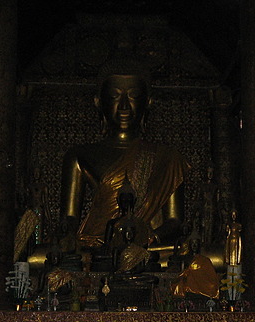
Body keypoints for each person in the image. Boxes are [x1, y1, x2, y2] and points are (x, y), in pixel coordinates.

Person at [60, 61, 189, 252]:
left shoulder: (168, 158)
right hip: (96, 247)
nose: (124, 106)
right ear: (98, 101)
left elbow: (175, 220)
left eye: (134, 96)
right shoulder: (79, 155)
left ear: (148, 102)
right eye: (114, 96)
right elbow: (70, 218)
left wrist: (148, 240)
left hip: (147, 249)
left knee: (188, 250)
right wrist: (68, 236)